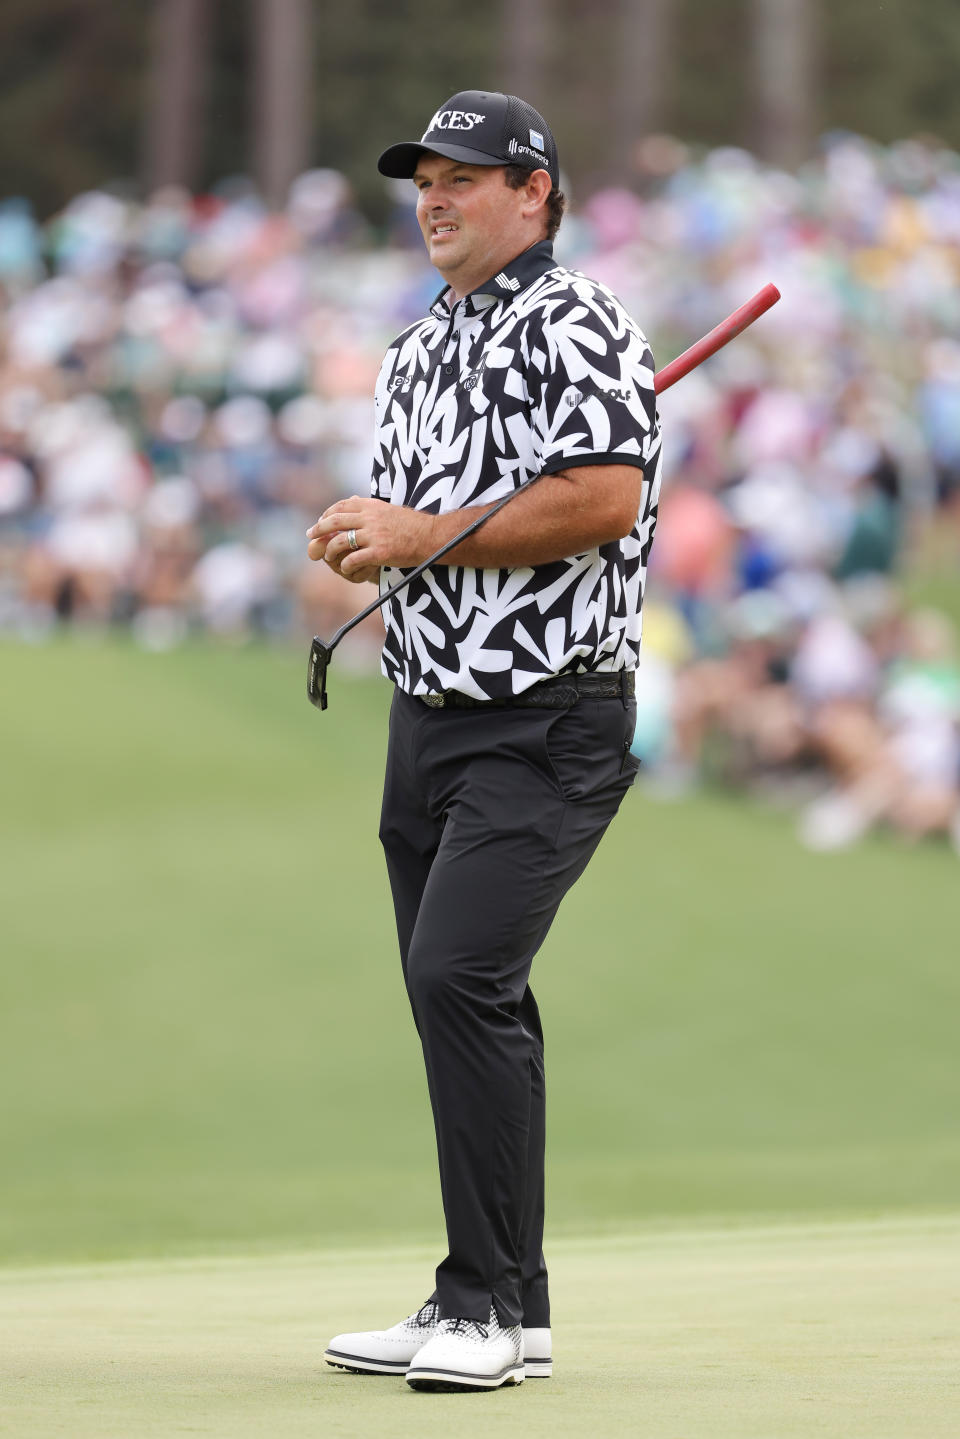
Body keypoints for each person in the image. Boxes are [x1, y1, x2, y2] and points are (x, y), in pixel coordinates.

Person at [306, 90, 662, 1392]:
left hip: (550, 711)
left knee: (459, 975)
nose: (436, 198)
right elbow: (434, 521)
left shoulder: (582, 320)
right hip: (432, 714)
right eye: (424, 180)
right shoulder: (421, 347)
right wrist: (374, 539)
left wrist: (416, 533)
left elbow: (604, 494)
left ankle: (480, 1307)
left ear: (537, 194)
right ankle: (508, 1297)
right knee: (461, 995)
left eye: (467, 176)